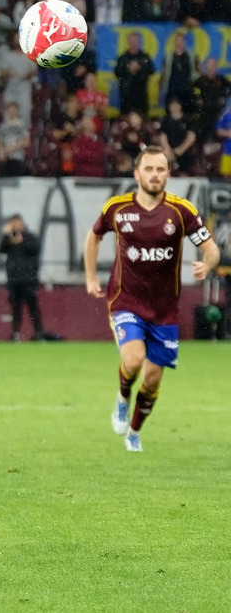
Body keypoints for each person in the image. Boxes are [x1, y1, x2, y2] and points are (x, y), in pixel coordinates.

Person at [84, 146, 220, 452]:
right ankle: (121, 398)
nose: (154, 175)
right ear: (137, 174)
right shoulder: (117, 208)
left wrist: (208, 263)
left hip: (164, 310)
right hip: (125, 300)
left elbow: (211, 248)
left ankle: (134, 432)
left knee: (153, 379)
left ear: (168, 174)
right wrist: (91, 276)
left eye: (161, 170)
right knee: (132, 359)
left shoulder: (181, 211)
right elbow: (94, 236)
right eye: (149, 169)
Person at [0, 214, 45, 342]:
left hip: (29, 278)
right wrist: (7, 235)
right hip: (14, 278)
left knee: (33, 307)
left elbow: (34, 249)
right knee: (15, 308)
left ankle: (39, 333)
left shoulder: (30, 237)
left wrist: (21, 241)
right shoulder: (8, 239)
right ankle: (15, 333)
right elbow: (1, 249)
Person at [0, 29, 39, 126]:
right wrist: (10, 73)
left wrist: (26, 74)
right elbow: (1, 72)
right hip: (11, 89)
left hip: (24, 89)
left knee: (25, 114)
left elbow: (34, 71)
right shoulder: (7, 56)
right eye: (16, 38)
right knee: (8, 115)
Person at [191, 57, 231, 143]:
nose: (211, 68)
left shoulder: (222, 80)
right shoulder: (200, 81)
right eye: (209, 66)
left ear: (217, 67)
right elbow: (192, 92)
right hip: (204, 114)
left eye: (213, 66)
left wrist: (224, 97)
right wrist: (198, 99)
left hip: (218, 114)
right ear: (205, 67)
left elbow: (229, 90)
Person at [114, 32, 155, 116]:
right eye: (132, 41)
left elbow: (151, 70)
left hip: (141, 95)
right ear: (128, 42)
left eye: (136, 41)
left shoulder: (144, 57)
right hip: (126, 95)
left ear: (139, 42)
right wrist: (128, 69)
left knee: (142, 119)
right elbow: (117, 72)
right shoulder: (122, 58)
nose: (134, 43)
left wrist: (139, 68)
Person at [157, 98, 198, 175]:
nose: (174, 107)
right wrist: (168, 150)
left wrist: (180, 150)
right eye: (172, 105)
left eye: (176, 105)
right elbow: (163, 136)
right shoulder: (166, 121)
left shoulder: (188, 120)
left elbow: (191, 137)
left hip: (185, 152)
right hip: (169, 152)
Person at [160, 31, 197, 108]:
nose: (179, 43)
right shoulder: (168, 57)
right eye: (177, 40)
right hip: (172, 91)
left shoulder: (191, 56)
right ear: (174, 42)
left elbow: (197, 71)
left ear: (185, 42)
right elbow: (163, 74)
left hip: (187, 90)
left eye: (181, 40)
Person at [0, 100, 30, 176]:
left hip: (17, 157)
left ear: (17, 111)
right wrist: (0, 152)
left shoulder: (21, 125)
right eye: (10, 109)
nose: (12, 111)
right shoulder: (3, 126)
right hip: (5, 157)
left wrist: (13, 147)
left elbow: (27, 141)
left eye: (14, 109)